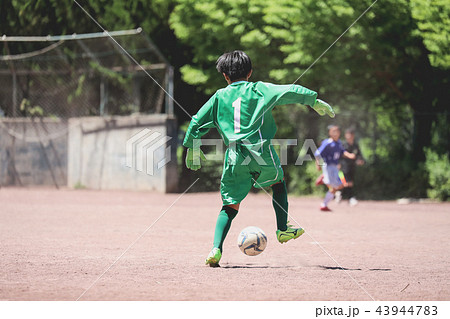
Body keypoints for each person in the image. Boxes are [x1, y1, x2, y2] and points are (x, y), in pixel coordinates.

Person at [183, 50, 335, 267]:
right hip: (261, 152)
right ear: (250, 72)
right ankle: (283, 229)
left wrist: (192, 146)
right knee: (278, 184)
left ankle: (216, 249)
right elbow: (289, 90)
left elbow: (197, 121)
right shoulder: (259, 89)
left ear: (225, 76)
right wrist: (313, 99)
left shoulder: (219, 96)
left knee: (229, 205)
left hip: (235, 156)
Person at [314, 125, 355, 211]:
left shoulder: (339, 143)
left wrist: (349, 155)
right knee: (336, 185)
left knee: (339, 186)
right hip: (328, 166)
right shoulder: (328, 143)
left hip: (335, 167)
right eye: (333, 131)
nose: (335, 133)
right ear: (330, 133)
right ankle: (324, 178)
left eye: (337, 131)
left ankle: (324, 204)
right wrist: (318, 164)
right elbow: (317, 154)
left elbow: (342, 152)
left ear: (339, 133)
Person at [338, 128, 365, 206]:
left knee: (349, 183)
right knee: (346, 182)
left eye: (350, 134)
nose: (349, 136)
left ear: (353, 135)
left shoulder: (355, 145)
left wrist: (360, 161)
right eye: (348, 134)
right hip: (344, 166)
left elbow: (359, 155)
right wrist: (339, 163)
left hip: (352, 166)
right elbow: (340, 154)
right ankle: (350, 197)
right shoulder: (343, 145)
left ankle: (340, 194)